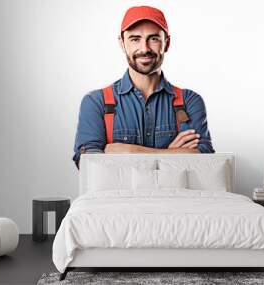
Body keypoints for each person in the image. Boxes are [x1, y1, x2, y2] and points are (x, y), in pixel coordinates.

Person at [73, 6, 215, 168]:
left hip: (174, 194)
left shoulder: (190, 101)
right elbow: (89, 164)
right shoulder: (96, 102)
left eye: (153, 38)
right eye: (135, 39)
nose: (144, 49)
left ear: (167, 43)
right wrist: (173, 153)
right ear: (122, 43)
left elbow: (204, 161)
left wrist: (124, 151)